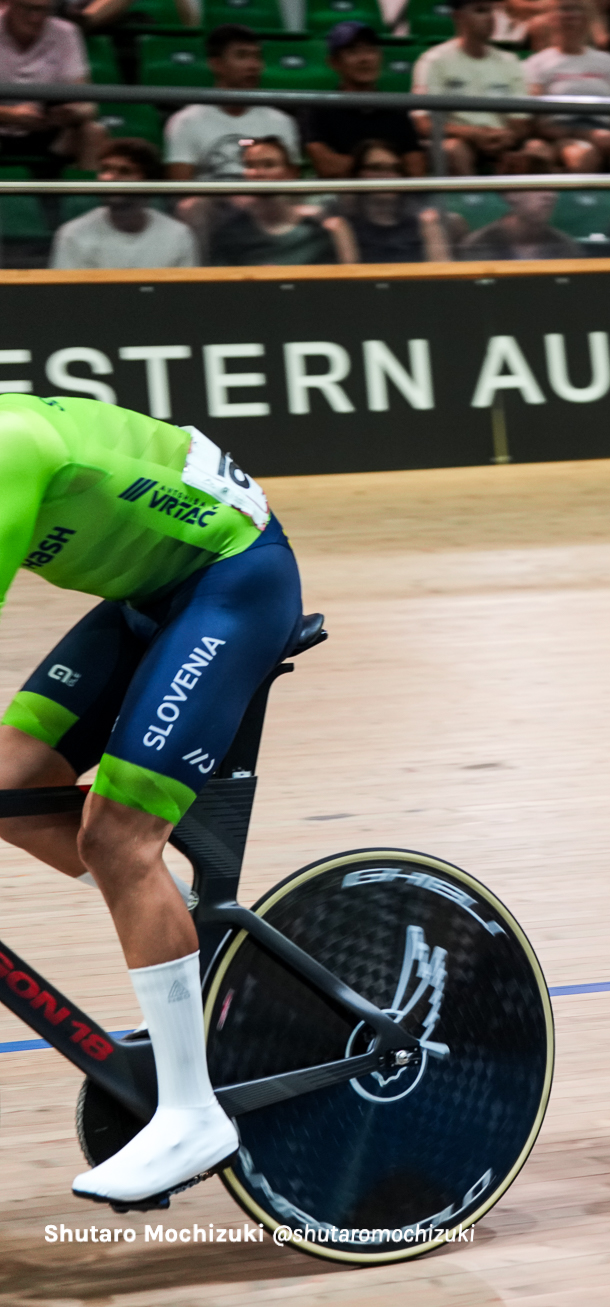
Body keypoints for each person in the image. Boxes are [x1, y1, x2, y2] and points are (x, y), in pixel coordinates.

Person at [0, 392, 300, 1208]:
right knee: (14, 783)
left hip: (234, 583)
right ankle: (163, 915)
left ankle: (193, 1114)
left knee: (118, 839)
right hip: (155, 593)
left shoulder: (7, 449)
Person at [413, 0, 538, 176]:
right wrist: (472, 134)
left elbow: (521, 121)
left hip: (503, 142)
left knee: (538, 151)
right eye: (480, 11)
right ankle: (470, 203)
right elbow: (424, 123)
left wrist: (507, 137)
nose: (490, 17)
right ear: (459, 17)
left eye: (491, 11)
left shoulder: (510, 61)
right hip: (458, 140)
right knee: (455, 150)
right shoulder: (434, 61)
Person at [525, 0, 610, 172]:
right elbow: (538, 119)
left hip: (608, 132)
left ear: (588, 18)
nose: (569, 15)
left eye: (575, 9)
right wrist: (584, 135)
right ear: (551, 18)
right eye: (563, 9)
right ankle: (584, 199)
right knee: (582, 155)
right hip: (564, 133)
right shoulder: (536, 63)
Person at [162, 26, 298, 181]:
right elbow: (180, 191)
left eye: (257, 57)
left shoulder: (281, 121)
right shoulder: (185, 122)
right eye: (242, 56)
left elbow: (291, 188)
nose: (253, 65)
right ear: (216, 64)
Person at [300, 22, 428, 180]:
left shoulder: (395, 109)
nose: (364, 59)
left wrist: (358, 166)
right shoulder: (318, 109)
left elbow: (416, 168)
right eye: (353, 52)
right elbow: (327, 166)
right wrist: (389, 167)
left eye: (370, 50)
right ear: (334, 62)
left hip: (394, 198)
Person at [49, 137, 197, 269]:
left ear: (148, 183)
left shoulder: (177, 235)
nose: (108, 178)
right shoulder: (73, 235)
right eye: (105, 169)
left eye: (124, 171)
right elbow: (66, 298)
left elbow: (185, 296)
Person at [0, 0, 103, 175]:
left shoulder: (66, 33)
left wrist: (71, 113)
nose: (36, 18)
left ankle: (89, 200)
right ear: (10, 4)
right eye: (29, 9)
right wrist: (11, 115)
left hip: (48, 131)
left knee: (93, 131)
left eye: (44, 10)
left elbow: (88, 106)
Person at [205, 136, 337, 266]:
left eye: (269, 165)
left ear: (291, 173)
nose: (258, 173)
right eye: (250, 165)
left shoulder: (318, 225)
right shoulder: (231, 231)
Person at [323, 139, 455, 263]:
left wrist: (431, 229)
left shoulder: (421, 216)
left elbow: (441, 268)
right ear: (358, 174)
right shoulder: (341, 213)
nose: (386, 175)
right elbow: (349, 274)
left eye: (395, 169)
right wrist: (341, 232)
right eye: (376, 168)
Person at [459, 157, 583, 258]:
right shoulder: (478, 245)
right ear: (511, 193)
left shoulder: (565, 246)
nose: (550, 195)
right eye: (538, 187)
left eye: (553, 187)